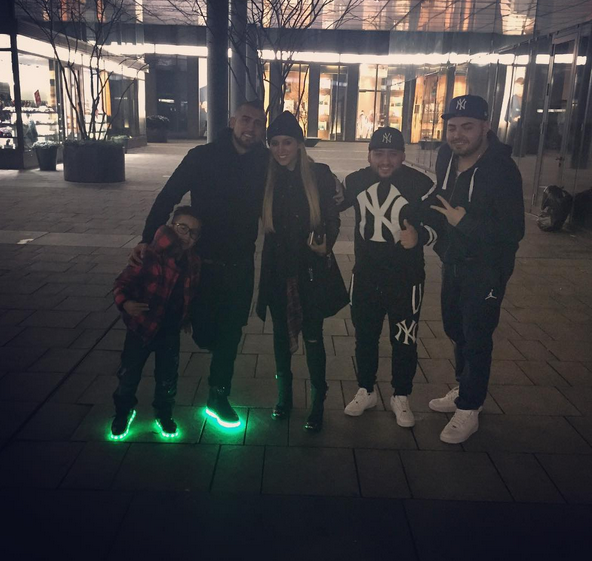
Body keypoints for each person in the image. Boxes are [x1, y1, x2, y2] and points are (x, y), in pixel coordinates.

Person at [129, 100, 268, 428]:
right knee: (204, 332)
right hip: (199, 263)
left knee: (231, 333)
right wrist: (148, 238)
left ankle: (218, 396)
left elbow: (296, 175)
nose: (250, 128)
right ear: (232, 121)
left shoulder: (265, 162)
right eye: (245, 120)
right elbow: (168, 196)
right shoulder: (202, 157)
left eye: (258, 123)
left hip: (240, 263)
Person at [428, 94, 524, 444]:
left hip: (487, 268)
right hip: (453, 260)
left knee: (477, 335)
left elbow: (513, 231)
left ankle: (470, 406)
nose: (458, 135)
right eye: (452, 127)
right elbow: (440, 198)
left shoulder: (502, 170)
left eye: (467, 127)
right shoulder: (446, 156)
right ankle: (463, 386)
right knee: (456, 329)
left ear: (486, 127)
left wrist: (464, 222)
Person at [256, 111, 348, 432]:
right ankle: (284, 396)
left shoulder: (319, 174)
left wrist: (327, 243)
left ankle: (318, 399)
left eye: (287, 142)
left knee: (312, 335)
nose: (281, 150)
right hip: (277, 269)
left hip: (310, 268)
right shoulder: (265, 176)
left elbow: (333, 215)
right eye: (275, 143)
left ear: (299, 144)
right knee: (280, 337)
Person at [341, 127, 436, 427]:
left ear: (403, 156)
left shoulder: (421, 184)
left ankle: (401, 395)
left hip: (406, 278)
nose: (385, 161)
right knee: (365, 336)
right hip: (365, 275)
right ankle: (365, 390)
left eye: (392, 154)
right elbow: (327, 205)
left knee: (405, 338)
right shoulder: (354, 182)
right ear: (369, 155)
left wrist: (420, 236)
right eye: (379, 154)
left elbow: (439, 223)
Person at [111, 206, 202, 439]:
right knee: (129, 374)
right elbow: (122, 283)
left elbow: (189, 293)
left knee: (167, 377)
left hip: (169, 330)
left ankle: (164, 413)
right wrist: (126, 303)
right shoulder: (150, 254)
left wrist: (187, 317)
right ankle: (123, 412)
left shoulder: (193, 261)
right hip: (141, 328)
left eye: (193, 232)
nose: (186, 235)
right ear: (172, 226)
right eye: (182, 227)